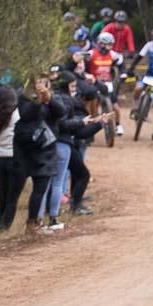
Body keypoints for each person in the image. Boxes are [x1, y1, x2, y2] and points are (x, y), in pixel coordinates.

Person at [13, 77, 66, 235]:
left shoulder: (53, 97)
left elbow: (61, 112)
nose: (42, 84)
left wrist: (48, 98)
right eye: (38, 81)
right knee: (14, 190)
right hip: (27, 148)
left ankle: (33, 223)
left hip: (46, 148)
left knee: (41, 187)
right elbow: (26, 115)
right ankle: (3, 226)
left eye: (45, 80)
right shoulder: (24, 97)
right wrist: (38, 101)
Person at [54, 73, 102, 219]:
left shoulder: (56, 98)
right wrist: (95, 124)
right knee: (79, 175)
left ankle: (70, 205)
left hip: (58, 143)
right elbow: (76, 130)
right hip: (64, 143)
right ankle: (62, 211)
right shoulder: (69, 102)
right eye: (72, 86)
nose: (74, 89)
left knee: (67, 176)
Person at [0, 87, 25, 232]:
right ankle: (5, 229)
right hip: (16, 159)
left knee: (2, 196)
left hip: (0, 160)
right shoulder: (17, 115)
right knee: (12, 199)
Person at [87, 32, 126, 137]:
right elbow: (84, 65)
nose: (109, 47)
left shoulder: (113, 54)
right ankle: (91, 127)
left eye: (110, 44)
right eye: (107, 44)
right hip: (93, 83)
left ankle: (118, 125)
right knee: (92, 105)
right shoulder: (91, 54)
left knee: (115, 106)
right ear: (100, 43)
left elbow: (121, 64)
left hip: (107, 83)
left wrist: (123, 73)